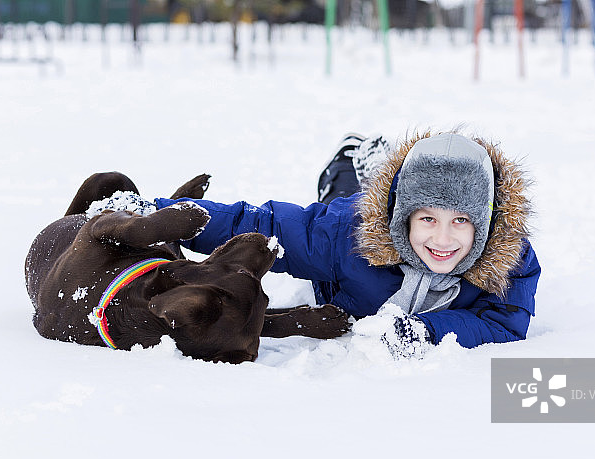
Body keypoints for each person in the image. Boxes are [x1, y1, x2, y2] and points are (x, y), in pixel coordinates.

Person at [154, 130, 540, 355]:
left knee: (363, 195)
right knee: (342, 200)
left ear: (487, 222)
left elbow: (504, 324)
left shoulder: (508, 257)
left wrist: (428, 329)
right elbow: (258, 224)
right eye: (426, 218)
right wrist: (152, 216)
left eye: (461, 220)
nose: (443, 238)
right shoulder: (348, 232)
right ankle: (347, 163)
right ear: (401, 215)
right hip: (347, 222)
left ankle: (376, 168)